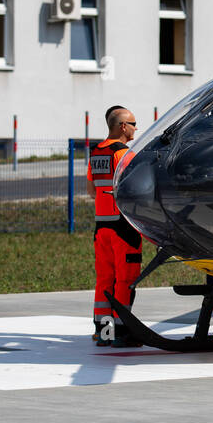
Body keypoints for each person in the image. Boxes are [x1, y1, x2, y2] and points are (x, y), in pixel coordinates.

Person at [87, 105, 143, 347]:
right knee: (125, 280)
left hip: (102, 226)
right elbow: (136, 190)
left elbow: (91, 191)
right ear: (122, 127)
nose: (135, 128)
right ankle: (123, 330)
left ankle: (103, 331)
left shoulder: (96, 152)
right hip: (123, 226)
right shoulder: (123, 154)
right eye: (132, 124)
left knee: (105, 279)